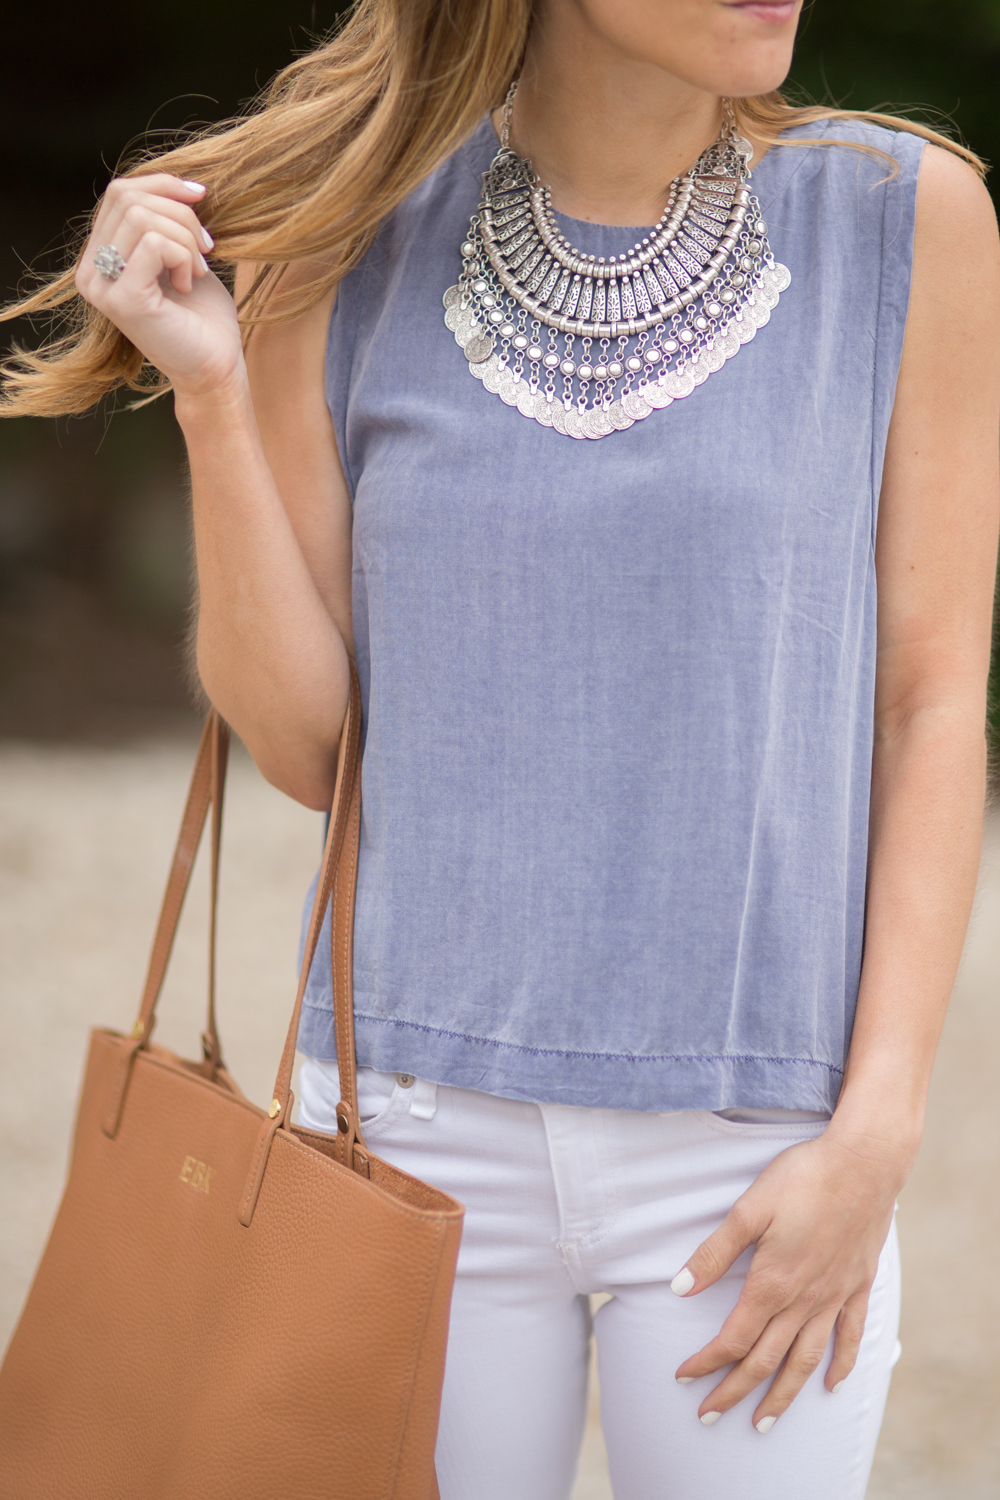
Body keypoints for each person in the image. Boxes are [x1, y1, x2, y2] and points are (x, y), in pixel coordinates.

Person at [3, 1, 998, 1496]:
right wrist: (207, 393)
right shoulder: (348, 239)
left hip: (758, 1151)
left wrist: (876, 1137)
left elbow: (930, 703)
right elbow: (309, 746)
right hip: (401, 1135)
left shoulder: (903, 221)